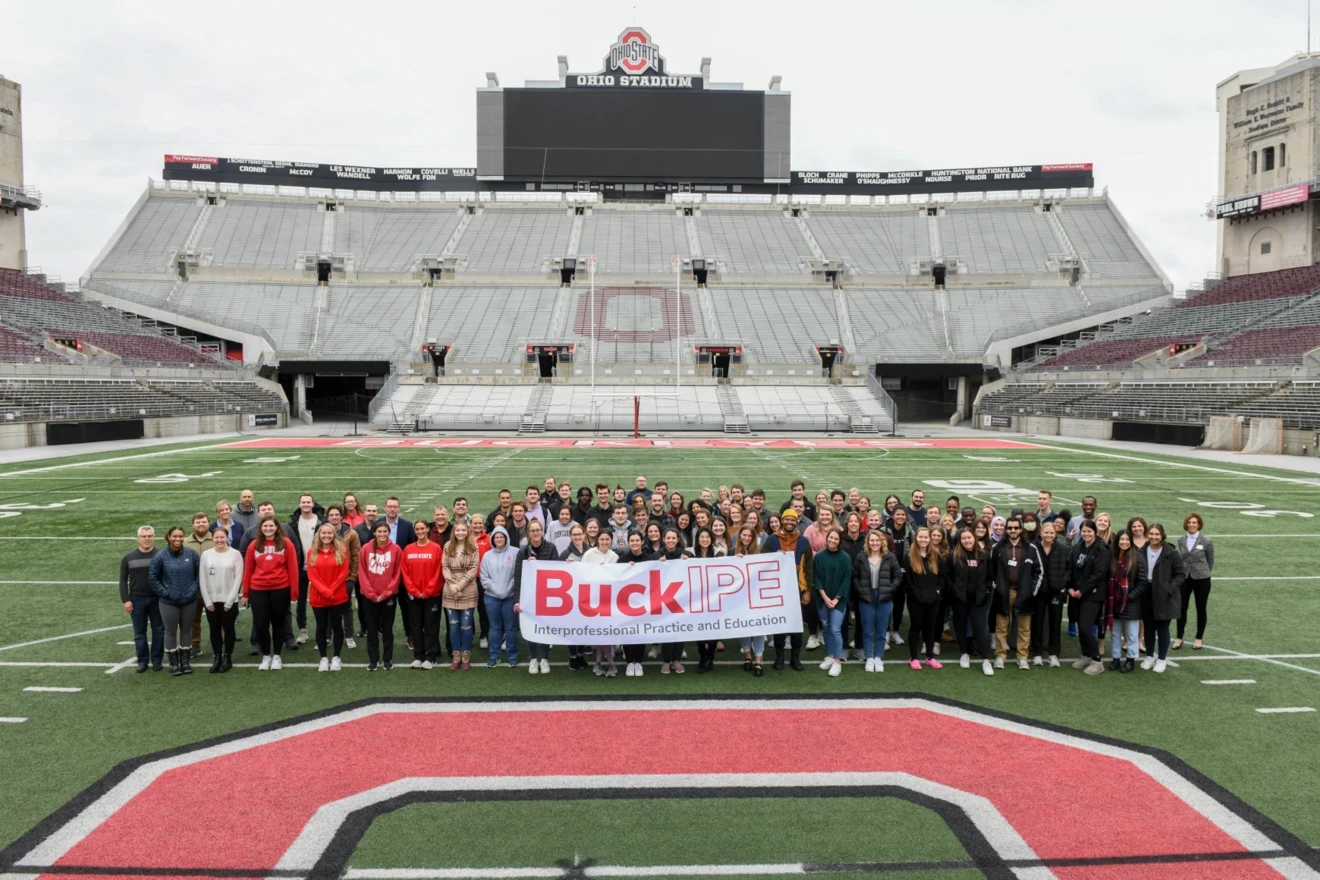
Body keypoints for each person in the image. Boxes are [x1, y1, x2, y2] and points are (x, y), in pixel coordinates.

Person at [242, 517, 300, 672]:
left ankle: (277, 656)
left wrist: (294, 592)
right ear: (260, 528)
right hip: (258, 589)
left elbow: (293, 568)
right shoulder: (254, 545)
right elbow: (248, 570)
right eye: (265, 526)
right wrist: (245, 593)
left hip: (280, 588)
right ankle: (266, 655)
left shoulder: (286, 543)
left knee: (278, 623)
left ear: (276, 527)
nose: (268, 528)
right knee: (261, 624)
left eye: (271, 526)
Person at [990, 516, 1042, 670]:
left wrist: (1031, 591)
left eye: (1016, 528)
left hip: (1024, 594)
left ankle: (1022, 657)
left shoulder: (1031, 549)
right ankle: (1000, 655)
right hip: (1004, 594)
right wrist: (997, 588)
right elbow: (990, 571)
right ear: (1006, 530)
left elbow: (1038, 571)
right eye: (1010, 528)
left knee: (1024, 628)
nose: (1013, 531)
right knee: (1001, 627)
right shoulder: (997, 548)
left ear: (1021, 529)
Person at [149, 527, 201, 677]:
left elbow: (198, 575)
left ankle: (185, 662)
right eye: (174, 536)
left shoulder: (191, 554)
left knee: (186, 630)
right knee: (170, 631)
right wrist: (166, 593)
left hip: (189, 601)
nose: (177, 539)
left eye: (180, 536)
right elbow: (153, 579)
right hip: (168, 602)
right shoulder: (160, 556)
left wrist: (193, 591)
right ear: (168, 537)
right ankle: (174, 664)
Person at [766, 509, 813, 672]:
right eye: (787, 520)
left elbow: (809, 568)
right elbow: (762, 564)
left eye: (793, 520)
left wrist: (807, 591)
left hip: (798, 588)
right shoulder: (771, 540)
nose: (790, 522)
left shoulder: (803, 541)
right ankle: (779, 656)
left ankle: (795, 656)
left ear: (796, 522)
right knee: (779, 624)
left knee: (796, 625)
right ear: (782, 521)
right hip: (777, 589)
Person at [1137, 524, 1187, 674]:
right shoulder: (1141, 551)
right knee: (1149, 627)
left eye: (1157, 534)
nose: (1153, 537)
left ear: (1162, 535)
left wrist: (1168, 589)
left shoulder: (1171, 552)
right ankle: (1149, 656)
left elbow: (1180, 574)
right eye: (1151, 534)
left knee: (1163, 627)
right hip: (1146, 592)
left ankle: (1162, 659)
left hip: (1164, 595)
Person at [944, 528, 994, 676]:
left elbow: (990, 577)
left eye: (969, 538)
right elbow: (947, 575)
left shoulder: (984, 556)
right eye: (964, 538)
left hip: (978, 599)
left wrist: (985, 590)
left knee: (979, 628)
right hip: (960, 599)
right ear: (960, 540)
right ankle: (964, 653)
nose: (967, 541)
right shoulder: (954, 555)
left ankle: (986, 660)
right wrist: (954, 590)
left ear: (974, 538)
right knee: (960, 626)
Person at [514, 520, 558, 675]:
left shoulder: (551, 548)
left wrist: (538, 565)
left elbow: (556, 572)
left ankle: (544, 658)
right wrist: (517, 600)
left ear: (542, 531)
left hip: (547, 595)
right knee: (531, 627)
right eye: (532, 530)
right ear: (528, 532)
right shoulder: (523, 552)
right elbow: (518, 577)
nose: (535, 533)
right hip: (529, 596)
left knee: (545, 627)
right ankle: (533, 659)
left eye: (538, 530)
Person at [853, 530, 900, 673]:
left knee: (881, 630)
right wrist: (860, 589)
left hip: (884, 597)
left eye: (877, 540)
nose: (874, 543)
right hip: (866, 597)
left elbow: (897, 576)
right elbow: (855, 576)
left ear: (882, 542)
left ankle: (878, 657)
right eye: (872, 540)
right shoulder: (861, 557)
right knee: (867, 630)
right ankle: (869, 657)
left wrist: (890, 589)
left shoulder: (889, 557)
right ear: (868, 542)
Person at [1067, 520, 1111, 676]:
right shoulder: (1077, 547)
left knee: (1086, 627)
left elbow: (1098, 574)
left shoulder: (1101, 550)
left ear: (1095, 532)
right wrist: (1070, 588)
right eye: (1084, 531)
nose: (1086, 534)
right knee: (1081, 626)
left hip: (1092, 595)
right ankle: (1085, 655)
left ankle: (1097, 661)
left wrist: (1082, 591)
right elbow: (1070, 569)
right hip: (1076, 594)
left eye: (1089, 531)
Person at [306, 522, 350, 673]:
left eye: (329, 533)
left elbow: (343, 573)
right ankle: (323, 657)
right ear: (319, 534)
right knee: (321, 627)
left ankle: (336, 657)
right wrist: (325, 591)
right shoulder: (312, 552)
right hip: (319, 597)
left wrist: (331, 591)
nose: (326, 536)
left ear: (334, 535)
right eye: (323, 533)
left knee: (337, 626)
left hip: (337, 596)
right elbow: (312, 575)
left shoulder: (341, 550)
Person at [358, 522, 402, 671]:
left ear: (389, 533)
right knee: (372, 629)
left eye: (385, 531)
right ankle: (373, 659)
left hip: (388, 597)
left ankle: (387, 659)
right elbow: (362, 573)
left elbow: (397, 574)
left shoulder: (396, 549)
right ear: (374, 533)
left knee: (388, 629)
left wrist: (385, 594)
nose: (382, 534)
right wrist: (371, 593)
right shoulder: (365, 549)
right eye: (379, 531)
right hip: (369, 597)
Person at [199, 527, 243, 673]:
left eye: (222, 537)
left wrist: (230, 600)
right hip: (212, 601)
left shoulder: (235, 554)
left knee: (229, 628)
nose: (219, 540)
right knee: (214, 629)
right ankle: (217, 657)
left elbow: (238, 579)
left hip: (229, 601)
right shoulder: (206, 555)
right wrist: (207, 601)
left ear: (227, 538)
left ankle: (227, 657)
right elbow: (202, 579)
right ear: (212, 539)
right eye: (216, 537)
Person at [120, 525, 163, 673]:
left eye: (150, 536)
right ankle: (142, 661)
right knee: (139, 633)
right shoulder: (128, 557)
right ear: (138, 538)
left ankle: (157, 660)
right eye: (144, 536)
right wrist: (126, 600)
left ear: (154, 537)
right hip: (137, 599)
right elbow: (122, 580)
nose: (147, 539)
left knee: (158, 630)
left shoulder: (161, 554)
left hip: (157, 599)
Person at [401, 520, 443, 669]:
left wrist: (427, 591)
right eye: (417, 529)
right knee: (416, 626)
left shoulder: (436, 548)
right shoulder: (408, 549)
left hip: (432, 595)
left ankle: (431, 656)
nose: (420, 531)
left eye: (422, 529)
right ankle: (419, 655)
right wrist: (414, 591)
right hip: (414, 596)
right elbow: (405, 573)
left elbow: (438, 572)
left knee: (431, 626)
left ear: (427, 530)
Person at [903, 527, 943, 670]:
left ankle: (930, 657)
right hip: (916, 600)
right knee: (916, 627)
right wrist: (917, 594)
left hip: (933, 600)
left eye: (926, 537)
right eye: (920, 537)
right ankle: (913, 658)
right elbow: (907, 581)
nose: (923, 540)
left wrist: (937, 592)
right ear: (916, 538)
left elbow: (941, 578)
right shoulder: (909, 556)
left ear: (930, 539)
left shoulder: (936, 556)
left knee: (930, 628)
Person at [616, 530, 655, 677]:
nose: (635, 543)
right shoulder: (622, 560)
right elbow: (616, 579)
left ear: (642, 542)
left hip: (643, 602)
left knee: (640, 632)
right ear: (628, 542)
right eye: (632, 541)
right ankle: (629, 663)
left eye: (637, 540)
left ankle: (638, 662)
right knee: (628, 632)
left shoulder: (649, 559)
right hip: (625, 603)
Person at [814, 528, 852, 677]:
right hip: (823, 599)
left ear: (839, 541)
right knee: (826, 628)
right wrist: (824, 597)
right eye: (831, 538)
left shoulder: (845, 558)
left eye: (836, 539)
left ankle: (837, 661)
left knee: (835, 629)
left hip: (839, 601)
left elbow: (846, 580)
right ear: (827, 538)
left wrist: (836, 599)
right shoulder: (819, 557)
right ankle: (830, 656)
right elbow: (816, 578)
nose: (832, 541)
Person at [442, 522, 480, 671]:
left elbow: (474, 568)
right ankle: (456, 655)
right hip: (450, 590)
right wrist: (452, 585)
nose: (461, 532)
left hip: (467, 588)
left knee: (466, 625)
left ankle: (466, 656)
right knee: (453, 625)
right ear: (454, 531)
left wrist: (459, 585)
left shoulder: (473, 546)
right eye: (458, 530)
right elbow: (444, 566)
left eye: (463, 530)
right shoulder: (447, 546)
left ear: (467, 531)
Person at [581, 529, 619, 677]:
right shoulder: (589, 554)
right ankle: (610, 664)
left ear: (611, 541)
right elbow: (582, 574)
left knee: (605, 633)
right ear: (597, 540)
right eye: (602, 539)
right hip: (592, 599)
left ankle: (601, 664)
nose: (604, 542)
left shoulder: (614, 556)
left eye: (607, 540)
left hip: (609, 600)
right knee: (600, 633)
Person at [1031, 521, 1069, 667]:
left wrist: (1062, 583)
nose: (1048, 535)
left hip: (1056, 592)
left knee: (1055, 622)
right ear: (1041, 532)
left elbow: (1069, 569)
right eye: (1046, 532)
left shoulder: (1063, 549)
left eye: (1051, 533)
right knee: (1037, 622)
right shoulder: (1033, 548)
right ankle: (1037, 653)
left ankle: (1054, 654)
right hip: (1039, 592)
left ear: (1055, 534)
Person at [480, 526, 519, 667]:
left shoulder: (515, 552)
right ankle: (494, 656)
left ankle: (512, 656)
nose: (499, 539)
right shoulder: (487, 556)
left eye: (502, 536)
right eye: (496, 537)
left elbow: (518, 574)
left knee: (511, 628)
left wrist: (508, 590)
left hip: (510, 597)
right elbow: (484, 577)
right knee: (495, 627)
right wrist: (496, 590)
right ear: (492, 539)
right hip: (492, 597)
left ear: (506, 538)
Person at [1175, 513, 1214, 650]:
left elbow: (1210, 561)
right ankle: (1179, 637)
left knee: (1201, 608)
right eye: (1189, 522)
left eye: (1194, 523)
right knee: (1181, 608)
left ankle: (1199, 637)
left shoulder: (1207, 541)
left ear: (1199, 525)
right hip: (1185, 578)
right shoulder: (1181, 540)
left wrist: (1204, 573)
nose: (1191, 525)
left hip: (1202, 578)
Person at [288, 494, 324, 646]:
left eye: (308, 502)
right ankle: (303, 630)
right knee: (301, 601)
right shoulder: (293, 523)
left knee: (321, 600)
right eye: (303, 502)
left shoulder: (322, 521)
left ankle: (322, 632)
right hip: (300, 567)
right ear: (299, 504)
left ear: (313, 503)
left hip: (319, 567)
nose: (306, 504)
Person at [1105, 531, 1141, 674]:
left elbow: (1142, 582)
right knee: (1115, 632)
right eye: (1121, 539)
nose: (1124, 542)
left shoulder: (1137, 558)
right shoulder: (1112, 556)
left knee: (1132, 634)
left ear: (1131, 541)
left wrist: (1129, 596)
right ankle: (1116, 658)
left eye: (1127, 540)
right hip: (1114, 601)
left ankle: (1130, 659)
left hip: (1131, 602)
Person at [325, 505, 361, 649]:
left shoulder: (351, 534)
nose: (334, 517)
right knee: (327, 608)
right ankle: (327, 636)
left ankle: (349, 636)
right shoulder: (323, 532)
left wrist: (352, 577)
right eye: (331, 515)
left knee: (346, 608)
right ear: (327, 517)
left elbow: (356, 556)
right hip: (328, 578)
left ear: (341, 517)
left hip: (346, 579)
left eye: (336, 515)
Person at [183, 513, 214, 658]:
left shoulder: (216, 539)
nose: (201, 524)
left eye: (203, 522)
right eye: (197, 522)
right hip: (192, 587)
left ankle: (217, 644)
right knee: (193, 619)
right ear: (193, 524)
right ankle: (194, 644)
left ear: (209, 523)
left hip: (212, 586)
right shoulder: (185, 542)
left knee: (215, 618)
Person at [658, 528, 689, 674]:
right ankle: (666, 661)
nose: (670, 541)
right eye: (668, 538)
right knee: (666, 631)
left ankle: (676, 660)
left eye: (673, 538)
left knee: (679, 631)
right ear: (663, 539)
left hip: (681, 599)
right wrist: (657, 563)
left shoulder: (685, 555)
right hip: (663, 600)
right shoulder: (657, 555)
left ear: (677, 540)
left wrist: (687, 562)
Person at [883, 507, 914, 648]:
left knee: (900, 602)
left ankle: (895, 630)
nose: (900, 517)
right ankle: (885, 631)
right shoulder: (884, 530)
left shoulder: (910, 531)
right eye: (898, 514)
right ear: (892, 515)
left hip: (904, 572)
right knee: (887, 602)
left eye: (903, 514)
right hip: (888, 572)